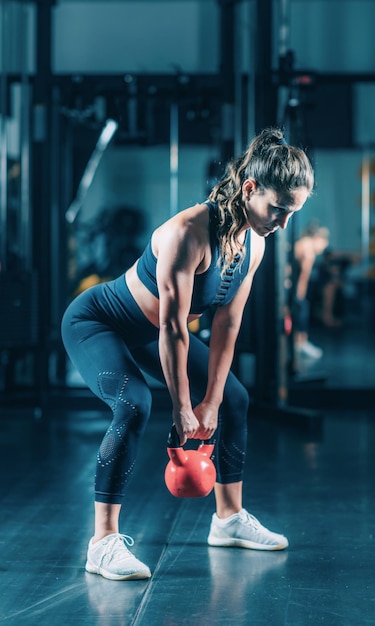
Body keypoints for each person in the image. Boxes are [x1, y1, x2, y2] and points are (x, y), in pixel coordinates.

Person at [61, 127, 314, 581]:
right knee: (133, 403)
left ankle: (229, 518)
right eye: (278, 209)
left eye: (291, 213)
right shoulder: (187, 233)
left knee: (234, 399)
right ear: (250, 188)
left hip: (149, 332)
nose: (282, 223)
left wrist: (212, 400)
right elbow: (174, 327)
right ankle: (101, 543)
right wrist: (182, 407)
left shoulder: (254, 243)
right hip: (98, 323)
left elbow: (227, 323)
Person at [293, 222, 330, 359]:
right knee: (302, 308)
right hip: (288, 285)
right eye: (323, 242)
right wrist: (299, 297)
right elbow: (303, 278)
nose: (324, 247)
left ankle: (299, 342)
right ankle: (300, 343)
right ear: (316, 238)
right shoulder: (308, 251)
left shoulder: (301, 243)